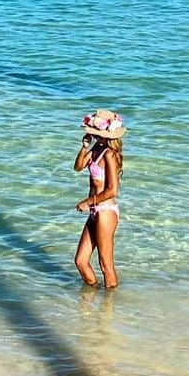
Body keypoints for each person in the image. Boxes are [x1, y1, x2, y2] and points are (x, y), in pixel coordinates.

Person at [73, 109, 126, 289]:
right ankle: (93, 298)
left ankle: (109, 307)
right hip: (95, 211)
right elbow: (78, 167)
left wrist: (87, 202)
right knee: (80, 261)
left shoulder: (109, 154)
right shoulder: (96, 149)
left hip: (105, 212)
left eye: (94, 132)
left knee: (105, 265)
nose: (91, 133)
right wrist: (84, 147)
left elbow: (112, 190)